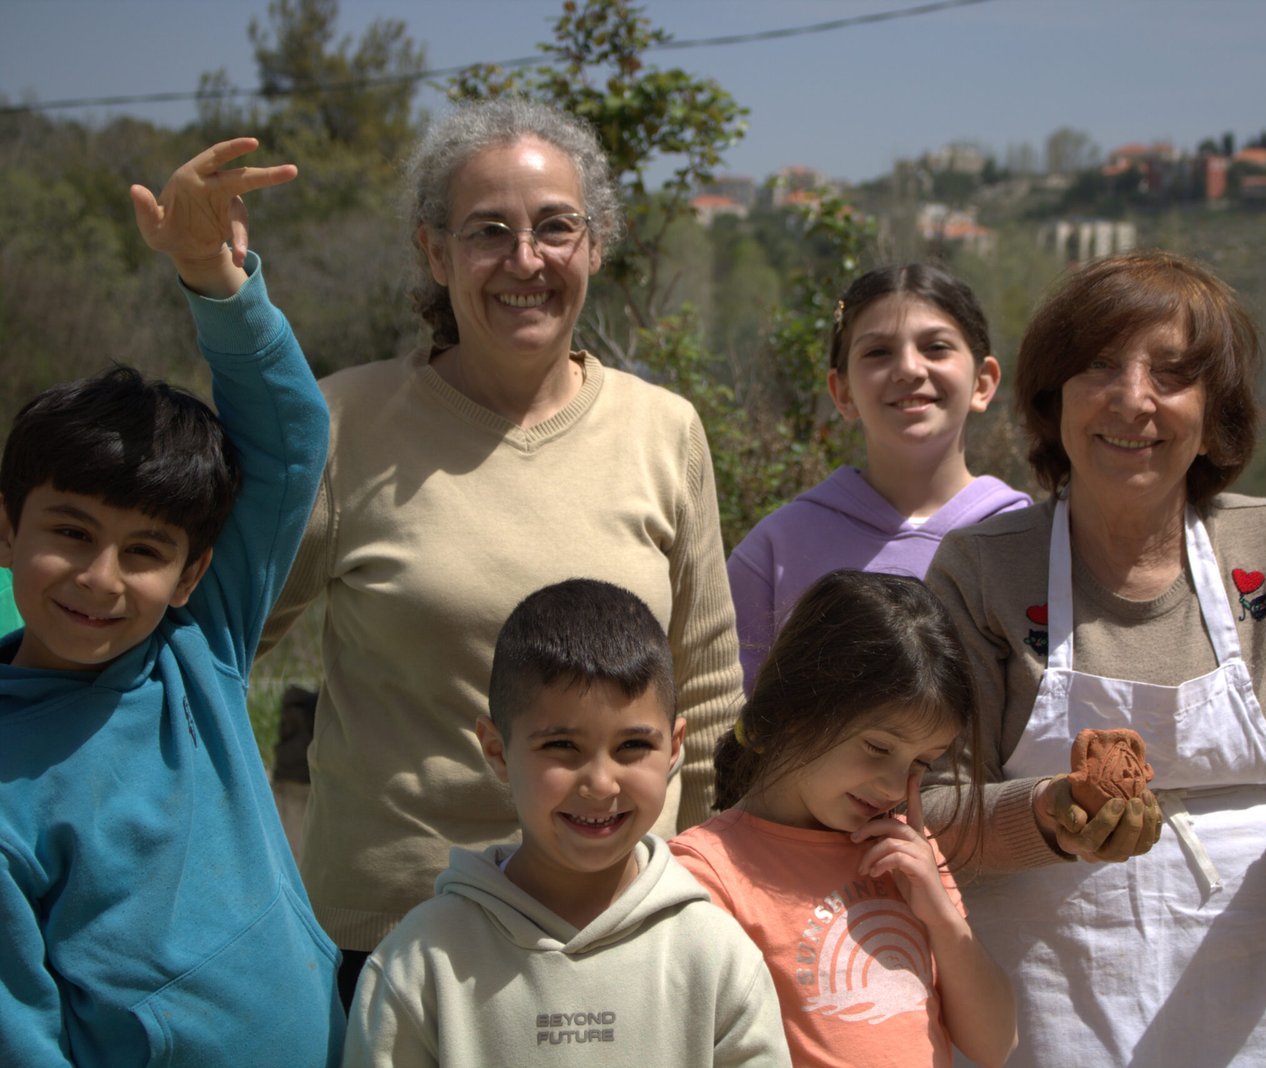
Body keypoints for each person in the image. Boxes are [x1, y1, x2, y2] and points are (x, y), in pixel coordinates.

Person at [259, 97, 744, 1004]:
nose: (527, 260)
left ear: (596, 246)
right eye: (489, 232)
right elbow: (218, 645)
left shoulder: (664, 431)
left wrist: (700, 898)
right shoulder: (343, 424)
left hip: (616, 940)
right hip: (391, 947)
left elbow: (709, 691)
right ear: (435, 254)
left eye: (557, 227)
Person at [922, 251, 1266, 1067]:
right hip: (1046, 1008)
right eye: (1100, 365)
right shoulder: (981, 570)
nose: (1132, 398)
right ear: (1054, 398)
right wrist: (1048, 815)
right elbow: (931, 804)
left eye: (1172, 374)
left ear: (1215, 416)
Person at [0, 139, 343, 1065]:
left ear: (192, 575)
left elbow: (286, 441)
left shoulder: (198, 647)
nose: (101, 579)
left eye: (145, 552)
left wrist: (212, 280)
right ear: (5, 533)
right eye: (69, 532)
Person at [343, 579, 790, 1066]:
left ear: (674, 749)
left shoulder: (717, 956)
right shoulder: (421, 962)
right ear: (496, 750)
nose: (600, 783)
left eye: (633, 747)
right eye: (561, 747)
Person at [671, 570, 1018, 1068]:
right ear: (798, 707)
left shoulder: (911, 855)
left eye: (923, 763)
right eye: (878, 747)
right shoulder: (707, 873)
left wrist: (939, 914)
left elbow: (995, 1043)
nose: (896, 787)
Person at [726, 264, 1029, 691]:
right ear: (842, 393)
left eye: (936, 347)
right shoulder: (776, 551)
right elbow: (730, 718)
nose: (909, 369)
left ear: (984, 382)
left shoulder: (1029, 541)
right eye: (878, 352)